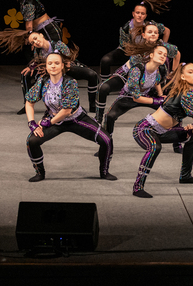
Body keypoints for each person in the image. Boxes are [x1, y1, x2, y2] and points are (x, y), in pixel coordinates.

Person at [24, 51, 116, 182]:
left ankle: (104, 171)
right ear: (46, 66)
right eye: (50, 63)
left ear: (62, 66)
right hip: (53, 120)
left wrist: (49, 123)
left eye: (56, 63)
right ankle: (40, 173)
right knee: (31, 141)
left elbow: (66, 111)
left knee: (106, 140)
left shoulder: (70, 82)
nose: (53, 66)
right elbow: (29, 102)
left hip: (75, 119)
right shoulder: (42, 82)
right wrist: (31, 123)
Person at [132, 63, 193, 198]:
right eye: (190, 72)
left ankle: (185, 176)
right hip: (145, 129)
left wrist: (192, 129)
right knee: (155, 147)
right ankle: (138, 187)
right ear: (182, 77)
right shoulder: (187, 94)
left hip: (164, 131)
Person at [95, 23, 180, 124]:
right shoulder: (139, 47)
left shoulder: (161, 46)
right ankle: (98, 118)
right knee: (103, 87)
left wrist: (173, 72)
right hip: (128, 75)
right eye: (150, 32)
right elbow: (134, 74)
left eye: (155, 32)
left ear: (158, 35)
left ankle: (169, 124)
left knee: (169, 97)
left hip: (146, 79)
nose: (153, 34)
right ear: (144, 35)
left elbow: (177, 53)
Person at [99, 0, 174, 83]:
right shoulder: (126, 28)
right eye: (137, 13)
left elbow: (167, 31)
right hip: (127, 52)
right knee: (105, 60)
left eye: (142, 13)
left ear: (145, 16)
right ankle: (105, 84)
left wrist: (162, 47)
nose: (139, 15)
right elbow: (125, 47)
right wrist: (135, 54)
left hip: (144, 53)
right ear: (133, 14)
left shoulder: (149, 26)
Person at [22, 31, 99, 113]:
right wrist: (31, 67)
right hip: (52, 72)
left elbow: (67, 62)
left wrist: (48, 68)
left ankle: (92, 105)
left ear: (41, 35)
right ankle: (27, 104)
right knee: (26, 74)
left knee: (92, 75)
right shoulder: (37, 51)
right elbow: (37, 61)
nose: (35, 42)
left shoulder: (58, 45)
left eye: (35, 38)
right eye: (32, 43)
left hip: (67, 68)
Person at [104, 44, 168, 137]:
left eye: (165, 55)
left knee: (172, 108)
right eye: (160, 53)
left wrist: (160, 95)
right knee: (110, 116)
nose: (162, 56)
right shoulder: (137, 70)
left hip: (147, 95)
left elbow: (156, 81)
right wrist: (157, 101)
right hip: (129, 97)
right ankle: (107, 141)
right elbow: (136, 98)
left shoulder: (161, 69)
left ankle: (176, 140)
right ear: (151, 55)